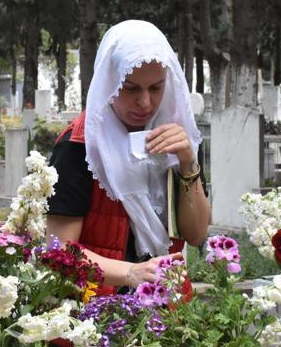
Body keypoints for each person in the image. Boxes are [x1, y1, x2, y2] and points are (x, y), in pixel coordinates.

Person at [46, 20, 211, 291]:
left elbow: (196, 233)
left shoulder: (176, 135)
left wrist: (187, 162)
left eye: (156, 88)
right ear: (110, 82)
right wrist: (130, 272)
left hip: (164, 307)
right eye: (131, 88)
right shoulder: (79, 146)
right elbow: (58, 249)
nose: (145, 102)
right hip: (94, 313)